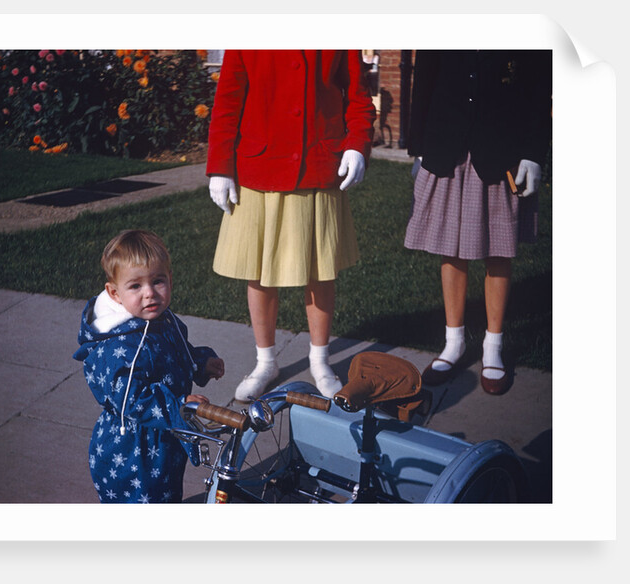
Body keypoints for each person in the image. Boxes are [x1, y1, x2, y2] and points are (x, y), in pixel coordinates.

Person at [206, 50, 376, 402]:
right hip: (259, 166)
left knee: (320, 271)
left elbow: (359, 97)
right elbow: (228, 100)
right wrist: (220, 165)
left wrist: (357, 145)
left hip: (318, 163)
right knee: (260, 271)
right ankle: (265, 361)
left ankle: (320, 360)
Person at [404, 50, 552, 395]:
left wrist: (533, 151)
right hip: (447, 142)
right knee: (450, 247)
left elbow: (538, 84)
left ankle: (492, 347)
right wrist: (419, 146)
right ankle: (453, 343)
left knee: (498, 250)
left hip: (502, 145)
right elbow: (424, 77)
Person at [73, 229, 225, 503]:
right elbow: (131, 399)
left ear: (171, 279)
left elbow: (173, 354)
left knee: (165, 497)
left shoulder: (161, 320)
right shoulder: (118, 346)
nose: (150, 294)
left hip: (164, 435)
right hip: (134, 447)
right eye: (135, 286)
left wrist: (200, 362)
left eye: (158, 281)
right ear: (114, 293)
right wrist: (177, 404)